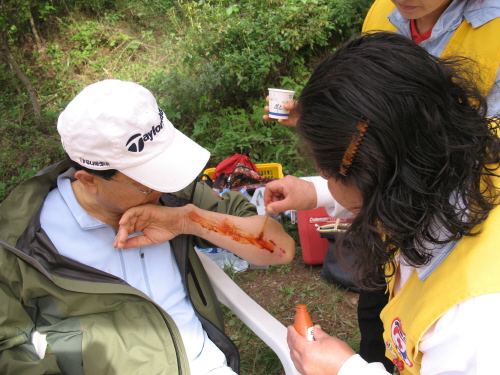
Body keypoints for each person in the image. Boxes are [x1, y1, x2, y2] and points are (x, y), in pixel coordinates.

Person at [263, 0, 500, 370]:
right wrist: (316, 191)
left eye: (324, 171)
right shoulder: (466, 149)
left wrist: (344, 369)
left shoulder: (474, 313)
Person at [0, 79, 295, 375]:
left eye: (163, 167)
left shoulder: (174, 196)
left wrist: (188, 221)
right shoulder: (25, 242)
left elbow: (280, 250)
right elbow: (7, 348)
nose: (163, 186)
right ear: (89, 181)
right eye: (145, 180)